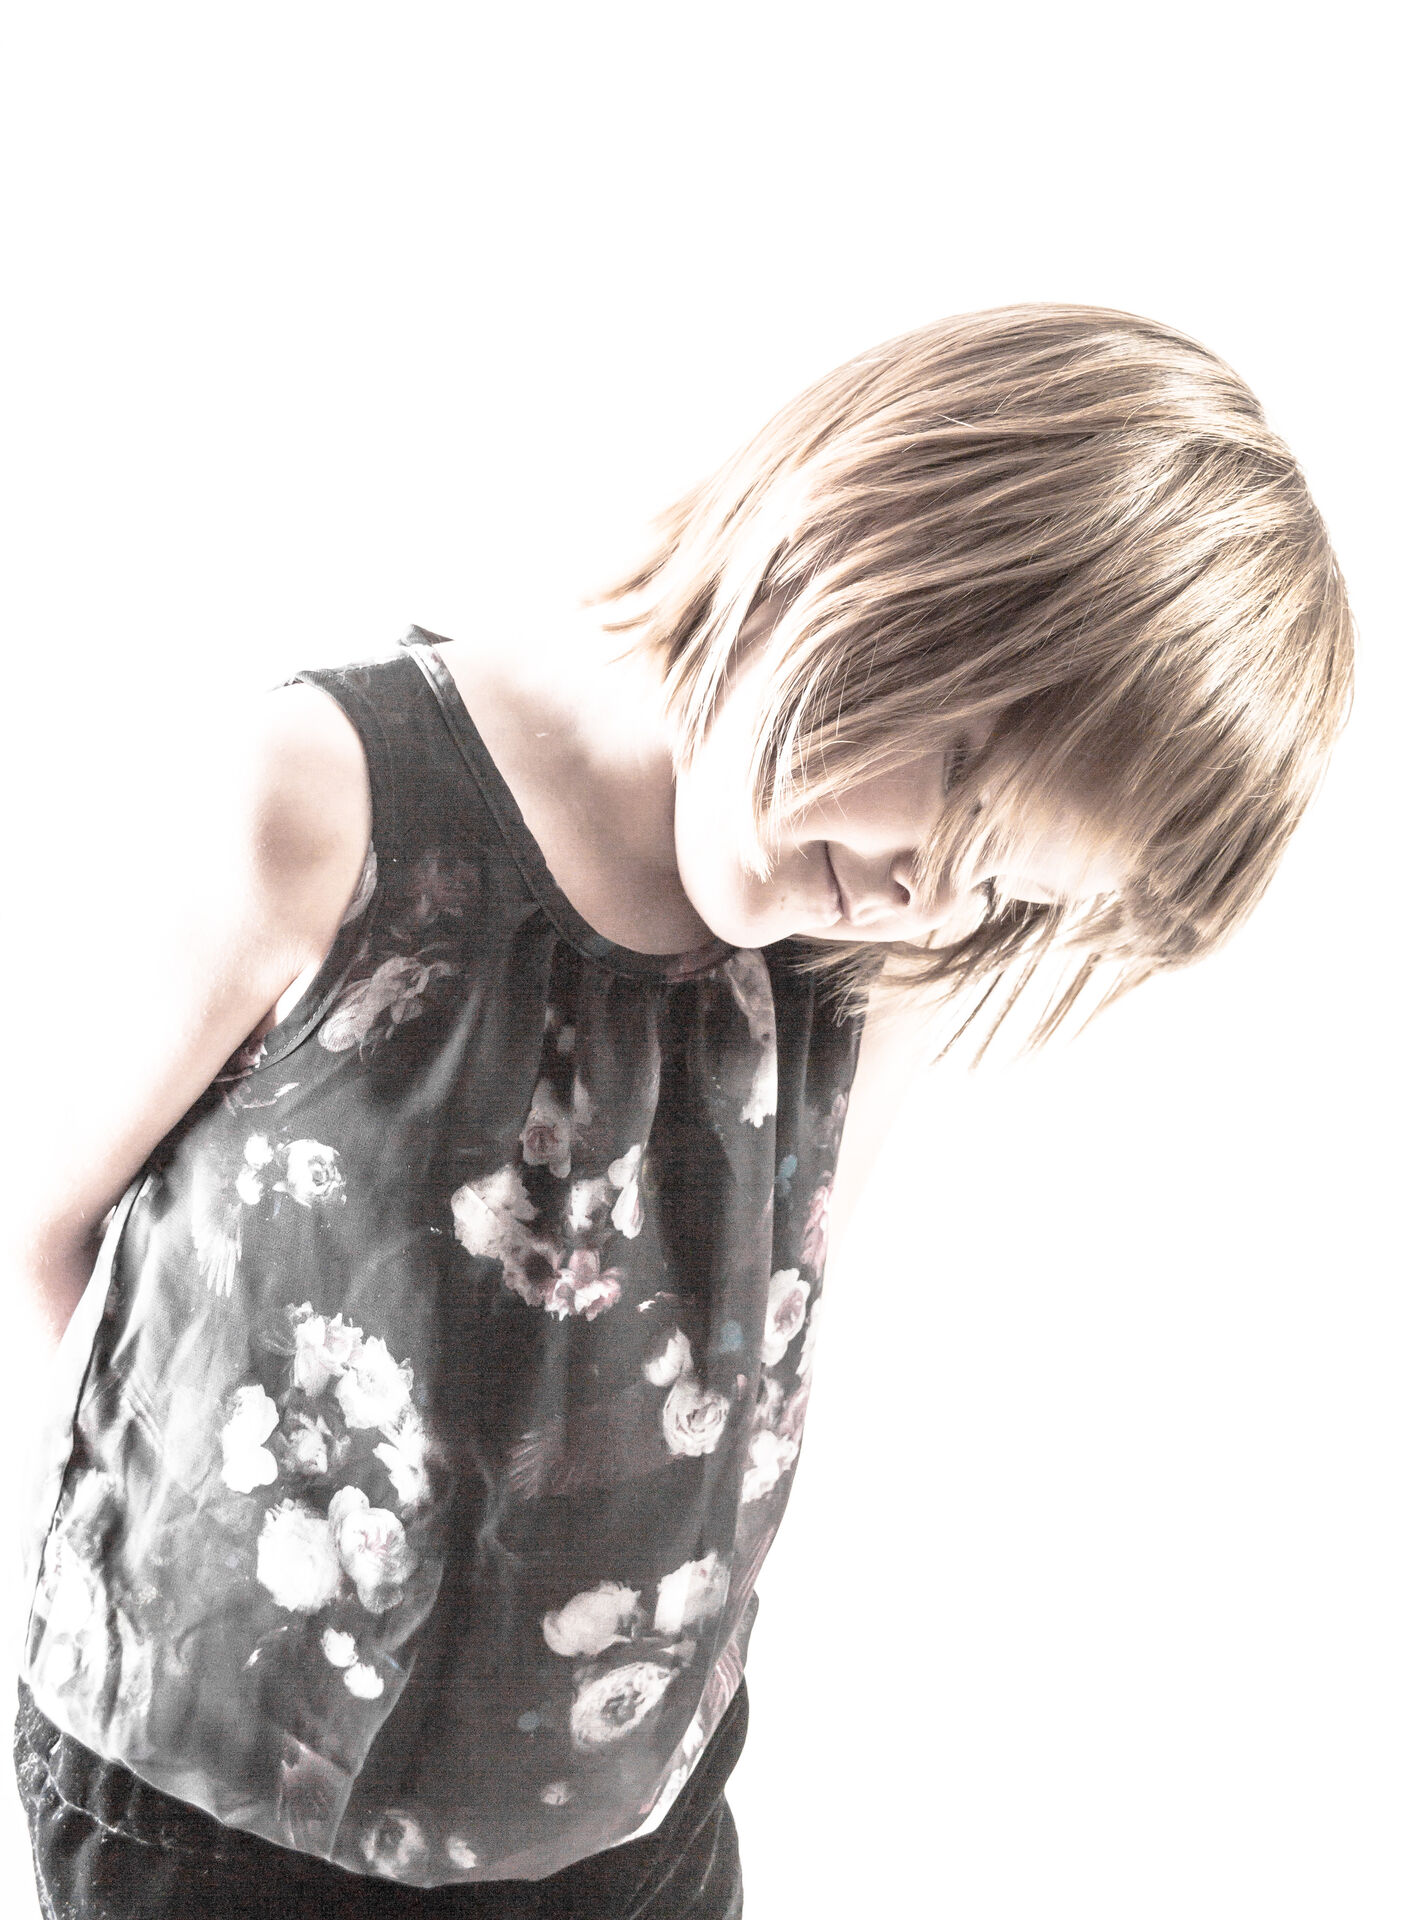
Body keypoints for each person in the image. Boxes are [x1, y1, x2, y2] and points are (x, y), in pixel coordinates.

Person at [8, 303, 1354, 1917]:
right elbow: (37, 1222)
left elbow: (748, 1331)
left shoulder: (864, 961)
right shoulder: (319, 803)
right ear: (854, 555)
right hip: (218, 1817)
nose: (930, 901)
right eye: (956, 799)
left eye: (1007, 888)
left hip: (635, 1813)